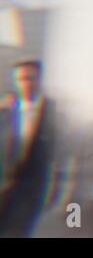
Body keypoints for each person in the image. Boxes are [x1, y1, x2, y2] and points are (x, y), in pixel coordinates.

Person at [0, 60, 57, 237]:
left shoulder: (50, 113)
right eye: (21, 78)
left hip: (29, 193)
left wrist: (50, 191)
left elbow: (54, 158)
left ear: (39, 80)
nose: (26, 83)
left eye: (30, 78)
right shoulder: (6, 110)